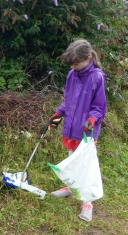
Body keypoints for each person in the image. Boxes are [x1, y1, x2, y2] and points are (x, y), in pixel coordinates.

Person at [49, 39, 107, 222]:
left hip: (86, 131)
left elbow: (99, 107)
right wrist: (57, 115)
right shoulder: (71, 74)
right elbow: (68, 101)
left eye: (76, 63)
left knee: (86, 166)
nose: (73, 66)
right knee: (71, 160)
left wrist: (91, 120)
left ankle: (87, 202)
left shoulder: (96, 77)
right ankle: (70, 188)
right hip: (70, 128)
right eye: (71, 64)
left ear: (88, 58)